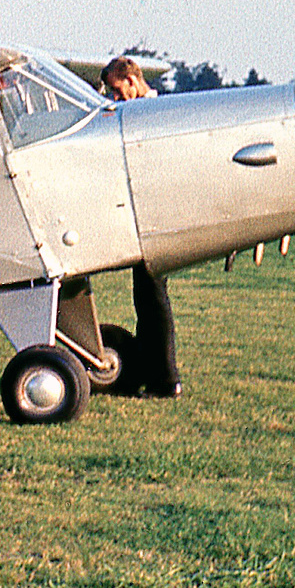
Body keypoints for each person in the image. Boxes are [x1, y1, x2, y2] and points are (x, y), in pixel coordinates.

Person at [100, 56, 181, 398]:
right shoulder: (140, 111)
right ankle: (155, 373)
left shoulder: (152, 114)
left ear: (133, 81)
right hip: (143, 219)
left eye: (118, 92)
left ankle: (164, 380)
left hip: (153, 219)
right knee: (147, 300)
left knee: (153, 300)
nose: (116, 100)